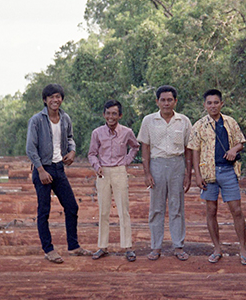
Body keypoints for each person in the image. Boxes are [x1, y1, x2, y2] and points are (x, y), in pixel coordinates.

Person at [25, 83, 92, 263]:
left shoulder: (65, 118)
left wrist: (72, 152)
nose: (55, 100)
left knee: (72, 207)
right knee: (44, 211)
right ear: (45, 100)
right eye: (51, 97)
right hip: (43, 169)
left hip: (59, 168)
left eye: (58, 97)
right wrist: (40, 170)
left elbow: (70, 139)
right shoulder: (37, 120)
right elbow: (30, 148)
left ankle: (73, 246)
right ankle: (48, 249)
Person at [189, 89, 246, 265]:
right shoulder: (199, 125)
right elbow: (195, 151)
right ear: (205, 105)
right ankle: (217, 248)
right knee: (211, 211)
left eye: (216, 102)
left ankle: (243, 249)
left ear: (221, 104)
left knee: (237, 211)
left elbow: (241, 142)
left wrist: (234, 150)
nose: (213, 106)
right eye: (209, 103)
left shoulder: (230, 122)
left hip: (228, 171)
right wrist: (197, 175)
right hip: (208, 173)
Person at [137, 85, 193, 261]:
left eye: (170, 100)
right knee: (156, 207)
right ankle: (156, 247)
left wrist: (188, 173)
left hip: (177, 164)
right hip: (157, 164)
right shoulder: (148, 120)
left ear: (175, 101)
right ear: (157, 101)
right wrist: (147, 173)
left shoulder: (183, 121)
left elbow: (188, 149)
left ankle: (178, 246)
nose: (166, 103)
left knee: (177, 207)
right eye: (163, 100)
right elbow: (145, 147)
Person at [87, 99, 139, 261]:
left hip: (119, 171)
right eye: (108, 113)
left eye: (114, 114)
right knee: (103, 210)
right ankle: (102, 246)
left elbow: (135, 146)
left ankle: (128, 247)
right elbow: (91, 153)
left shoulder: (126, 132)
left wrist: (126, 161)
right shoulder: (97, 133)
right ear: (104, 114)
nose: (111, 117)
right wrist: (97, 166)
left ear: (120, 115)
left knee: (123, 209)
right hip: (102, 173)